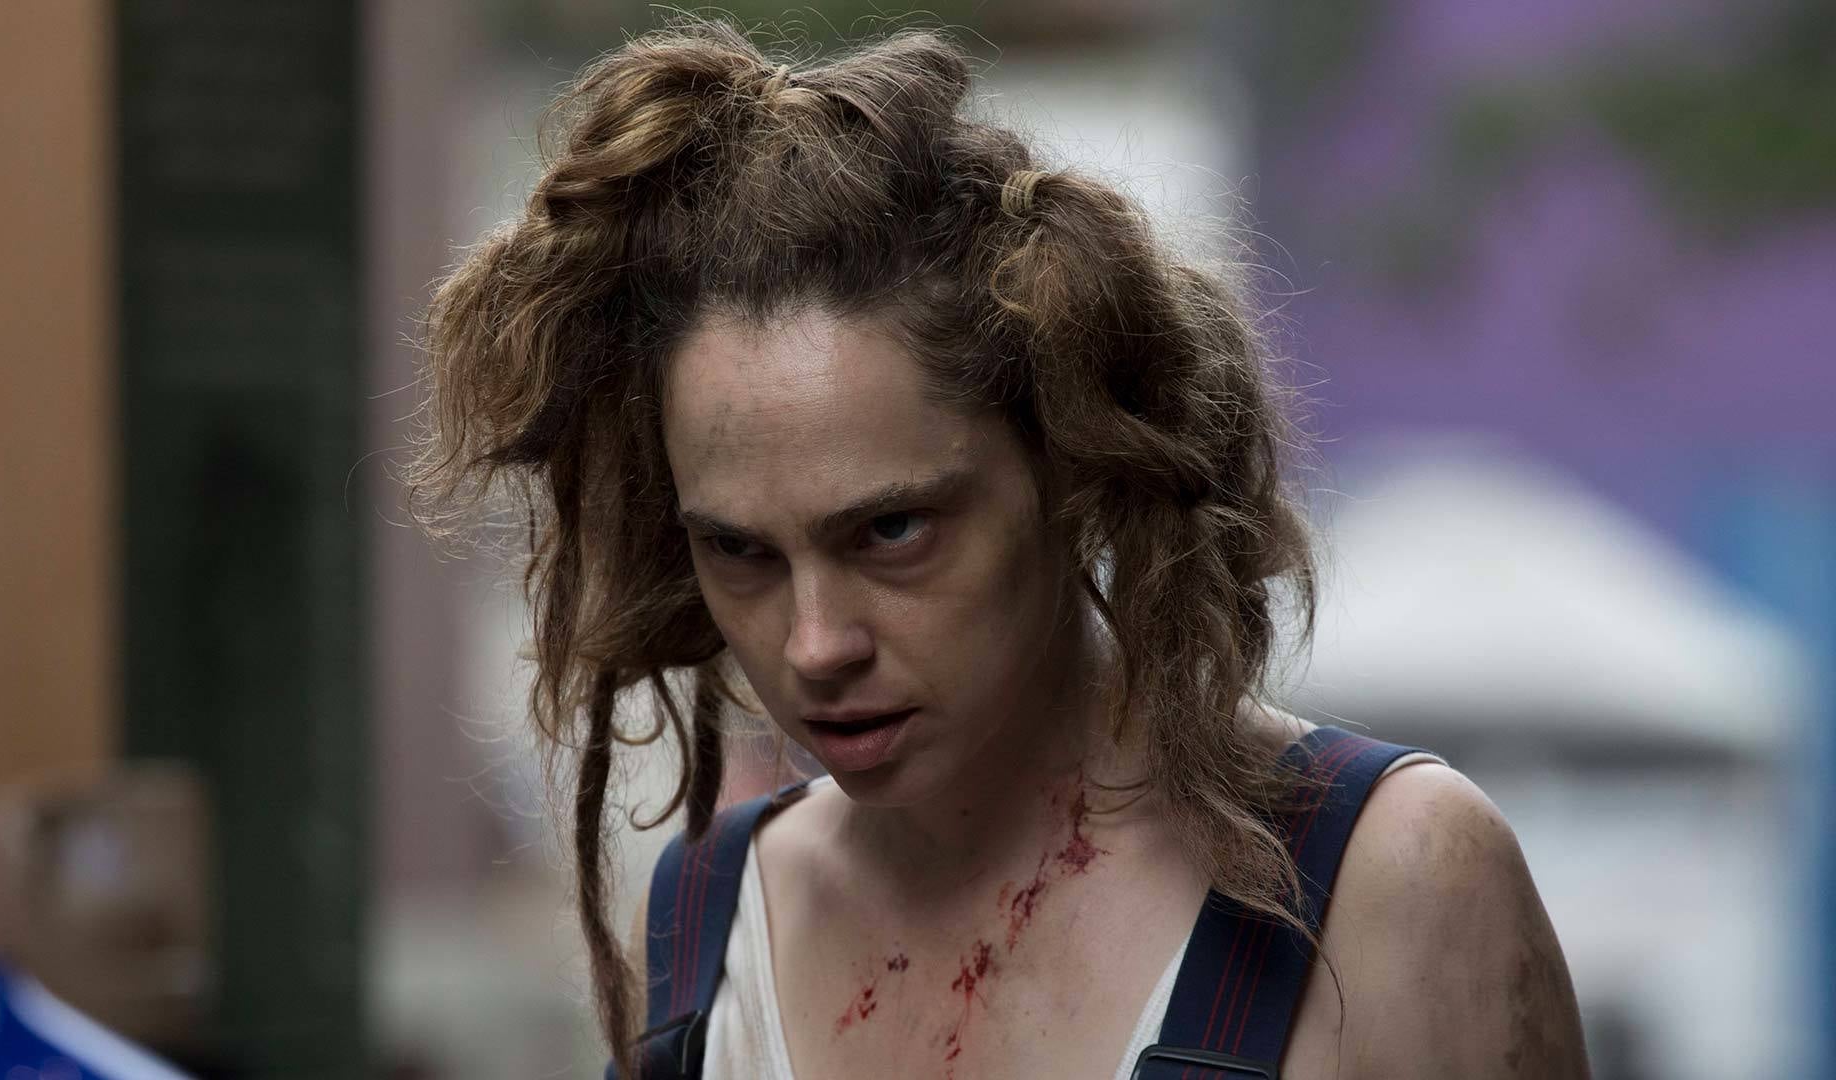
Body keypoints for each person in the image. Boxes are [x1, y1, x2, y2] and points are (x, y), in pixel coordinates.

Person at [407, 16, 1590, 1079]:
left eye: (892, 531)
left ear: (1069, 470)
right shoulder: (708, 924)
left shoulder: (1388, 880)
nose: (815, 645)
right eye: (742, 553)